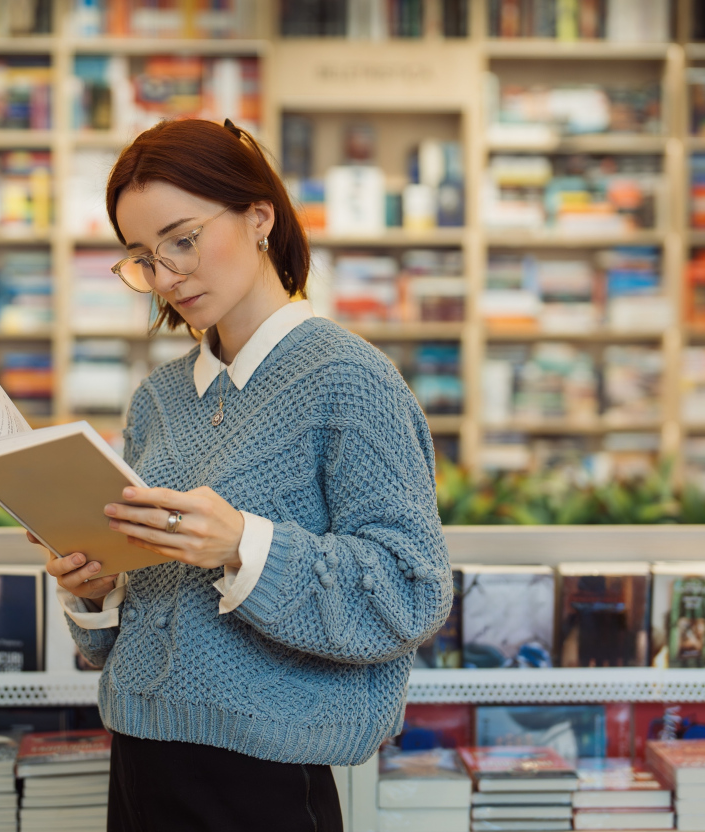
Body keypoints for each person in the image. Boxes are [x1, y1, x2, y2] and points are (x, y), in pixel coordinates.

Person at [31, 117, 452, 832]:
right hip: (138, 763)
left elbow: (413, 590)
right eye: (142, 257)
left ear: (260, 217)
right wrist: (97, 589)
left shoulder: (349, 382)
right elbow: (121, 640)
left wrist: (242, 545)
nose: (165, 276)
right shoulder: (158, 399)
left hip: (266, 779)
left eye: (183, 240)